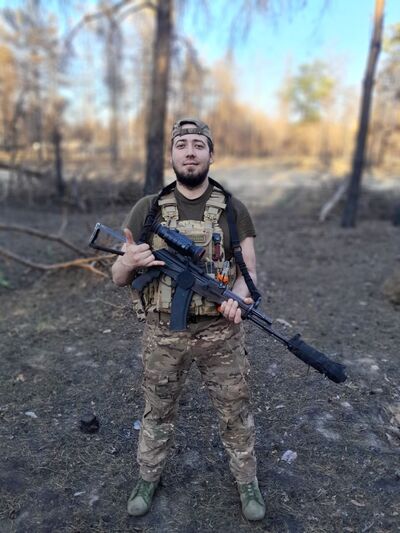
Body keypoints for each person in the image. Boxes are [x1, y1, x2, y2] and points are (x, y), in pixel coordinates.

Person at [111, 118, 266, 521]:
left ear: (211, 154)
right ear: (172, 155)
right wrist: (127, 262)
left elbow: (249, 274)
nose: (191, 152)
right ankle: (148, 477)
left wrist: (239, 300)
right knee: (157, 409)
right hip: (163, 332)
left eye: (199, 144)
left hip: (221, 332)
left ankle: (247, 481)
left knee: (235, 410)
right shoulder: (147, 209)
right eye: (182, 145)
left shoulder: (233, 210)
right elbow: (118, 277)